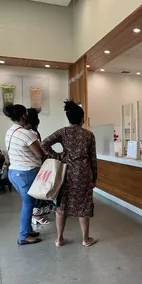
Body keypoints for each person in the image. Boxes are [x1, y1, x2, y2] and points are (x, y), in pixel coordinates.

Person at [41, 100, 98, 247]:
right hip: (84, 174)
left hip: (65, 173)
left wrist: (59, 156)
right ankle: (85, 239)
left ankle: (59, 239)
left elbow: (44, 144)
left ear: (69, 119)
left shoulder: (63, 132)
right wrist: (94, 178)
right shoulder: (89, 135)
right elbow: (93, 159)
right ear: (82, 119)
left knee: (62, 205)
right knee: (84, 207)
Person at [4, 104, 45, 245]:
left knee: (28, 203)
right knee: (28, 205)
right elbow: (40, 154)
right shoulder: (26, 134)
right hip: (26, 173)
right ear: (24, 116)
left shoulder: (10, 131)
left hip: (13, 173)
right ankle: (23, 236)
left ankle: (28, 230)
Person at [26, 108, 51, 225]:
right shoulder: (33, 131)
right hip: (34, 164)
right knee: (38, 190)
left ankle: (34, 214)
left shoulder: (24, 130)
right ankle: (36, 215)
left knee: (32, 192)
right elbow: (39, 151)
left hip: (27, 166)